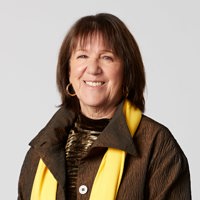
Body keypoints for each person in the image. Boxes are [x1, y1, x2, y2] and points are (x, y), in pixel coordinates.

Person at [18, 13, 191, 200]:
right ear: (68, 70)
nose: (93, 69)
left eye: (107, 57)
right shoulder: (41, 150)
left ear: (127, 71)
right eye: (82, 56)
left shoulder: (157, 145)